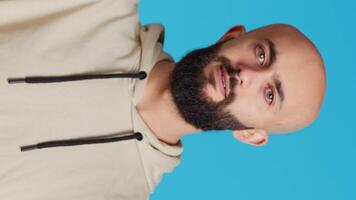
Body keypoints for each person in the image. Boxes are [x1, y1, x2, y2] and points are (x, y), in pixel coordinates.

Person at [0, 0, 326, 200]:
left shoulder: (120, 194)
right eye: (262, 54)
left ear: (251, 134)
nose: (248, 75)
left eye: (269, 95)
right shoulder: (99, 6)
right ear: (232, 36)